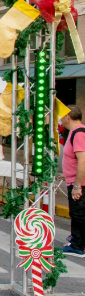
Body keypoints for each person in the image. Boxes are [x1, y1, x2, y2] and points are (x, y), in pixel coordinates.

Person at [61, 106, 85, 257]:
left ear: (67, 117)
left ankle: (78, 246)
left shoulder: (78, 133)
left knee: (78, 213)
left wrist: (77, 185)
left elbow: (82, 160)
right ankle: (77, 241)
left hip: (79, 183)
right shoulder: (73, 133)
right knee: (77, 212)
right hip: (74, 180)